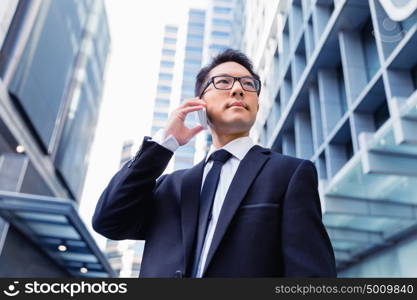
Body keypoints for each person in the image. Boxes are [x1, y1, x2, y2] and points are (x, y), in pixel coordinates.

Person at [92, 49, 337, 278]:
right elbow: (109, 221)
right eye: (223, 82)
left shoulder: (289, 174)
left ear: (257, 105)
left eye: (248, 84)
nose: (238, 90)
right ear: (200, 103)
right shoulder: (169, 187)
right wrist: (163, 144)